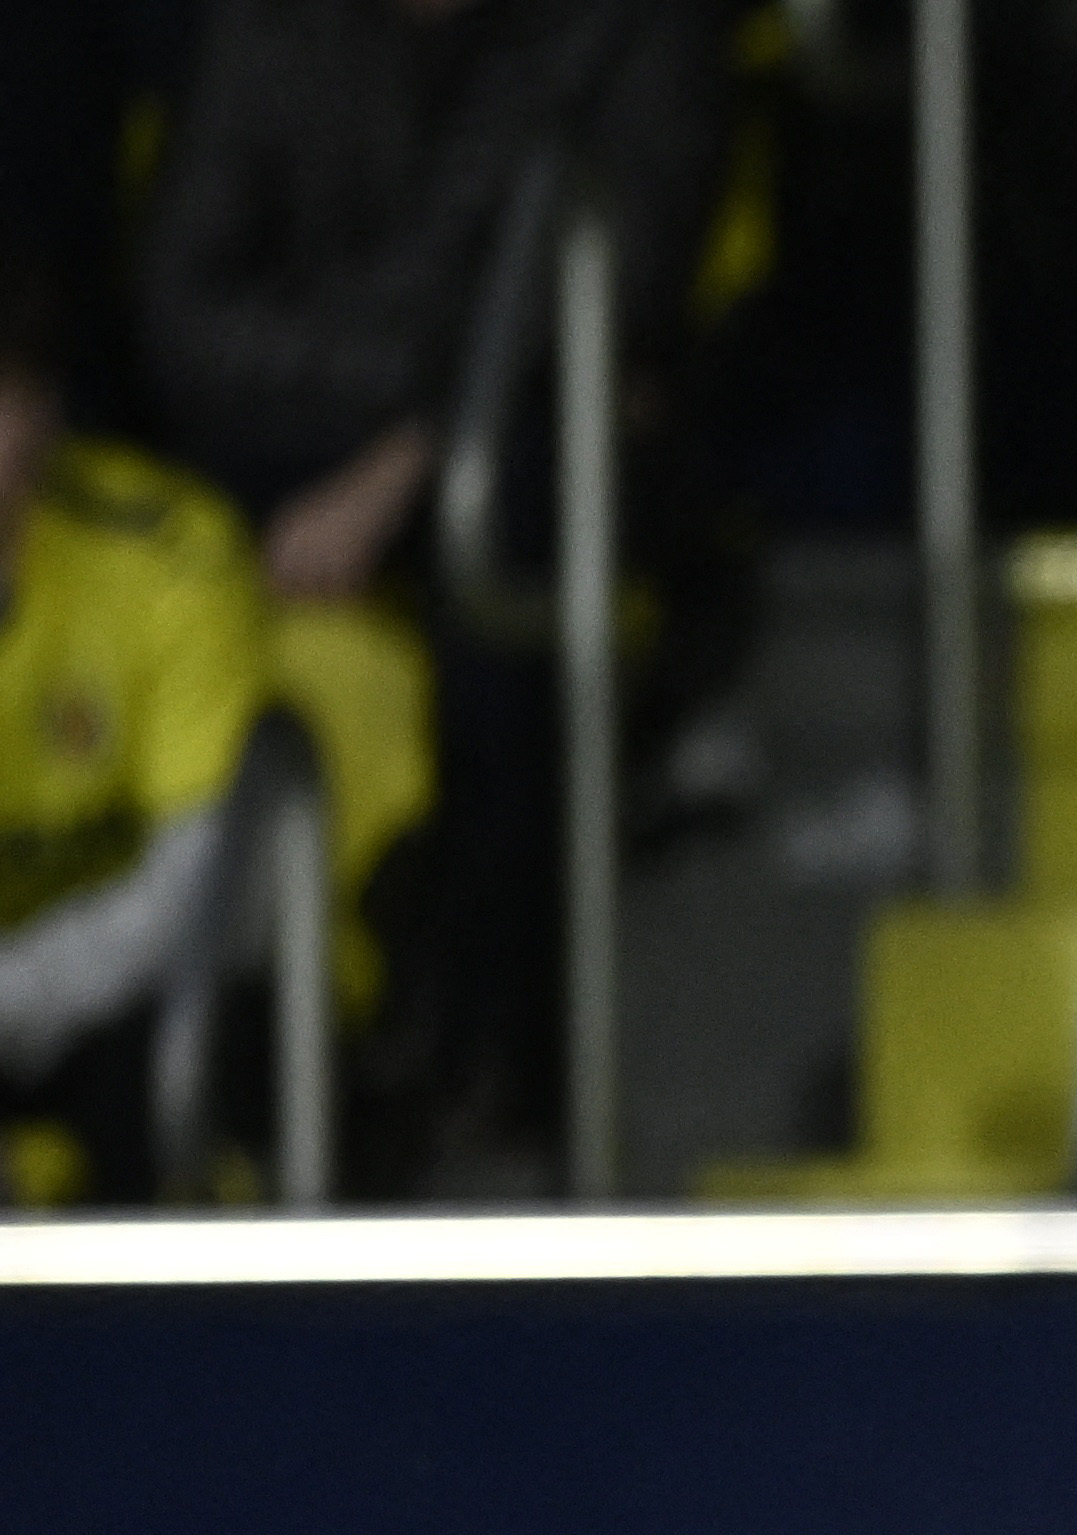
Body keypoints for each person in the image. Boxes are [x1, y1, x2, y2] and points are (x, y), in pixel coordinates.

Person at [136, 0, 730, 1168]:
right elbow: (181, 309)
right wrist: (404, 409)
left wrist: (415, 448)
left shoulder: (629, 30)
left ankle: (487, 1043)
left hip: (531, 444)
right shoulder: (272, 29)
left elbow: (629, 284)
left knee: (511, 550)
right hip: (300, 439)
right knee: (153, 557)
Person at [0, 267, 269, 1204]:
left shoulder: (168, 559)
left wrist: (12, 992)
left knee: (163, 1071)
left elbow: (203, 891)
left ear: (43, 413)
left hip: (144, 995)